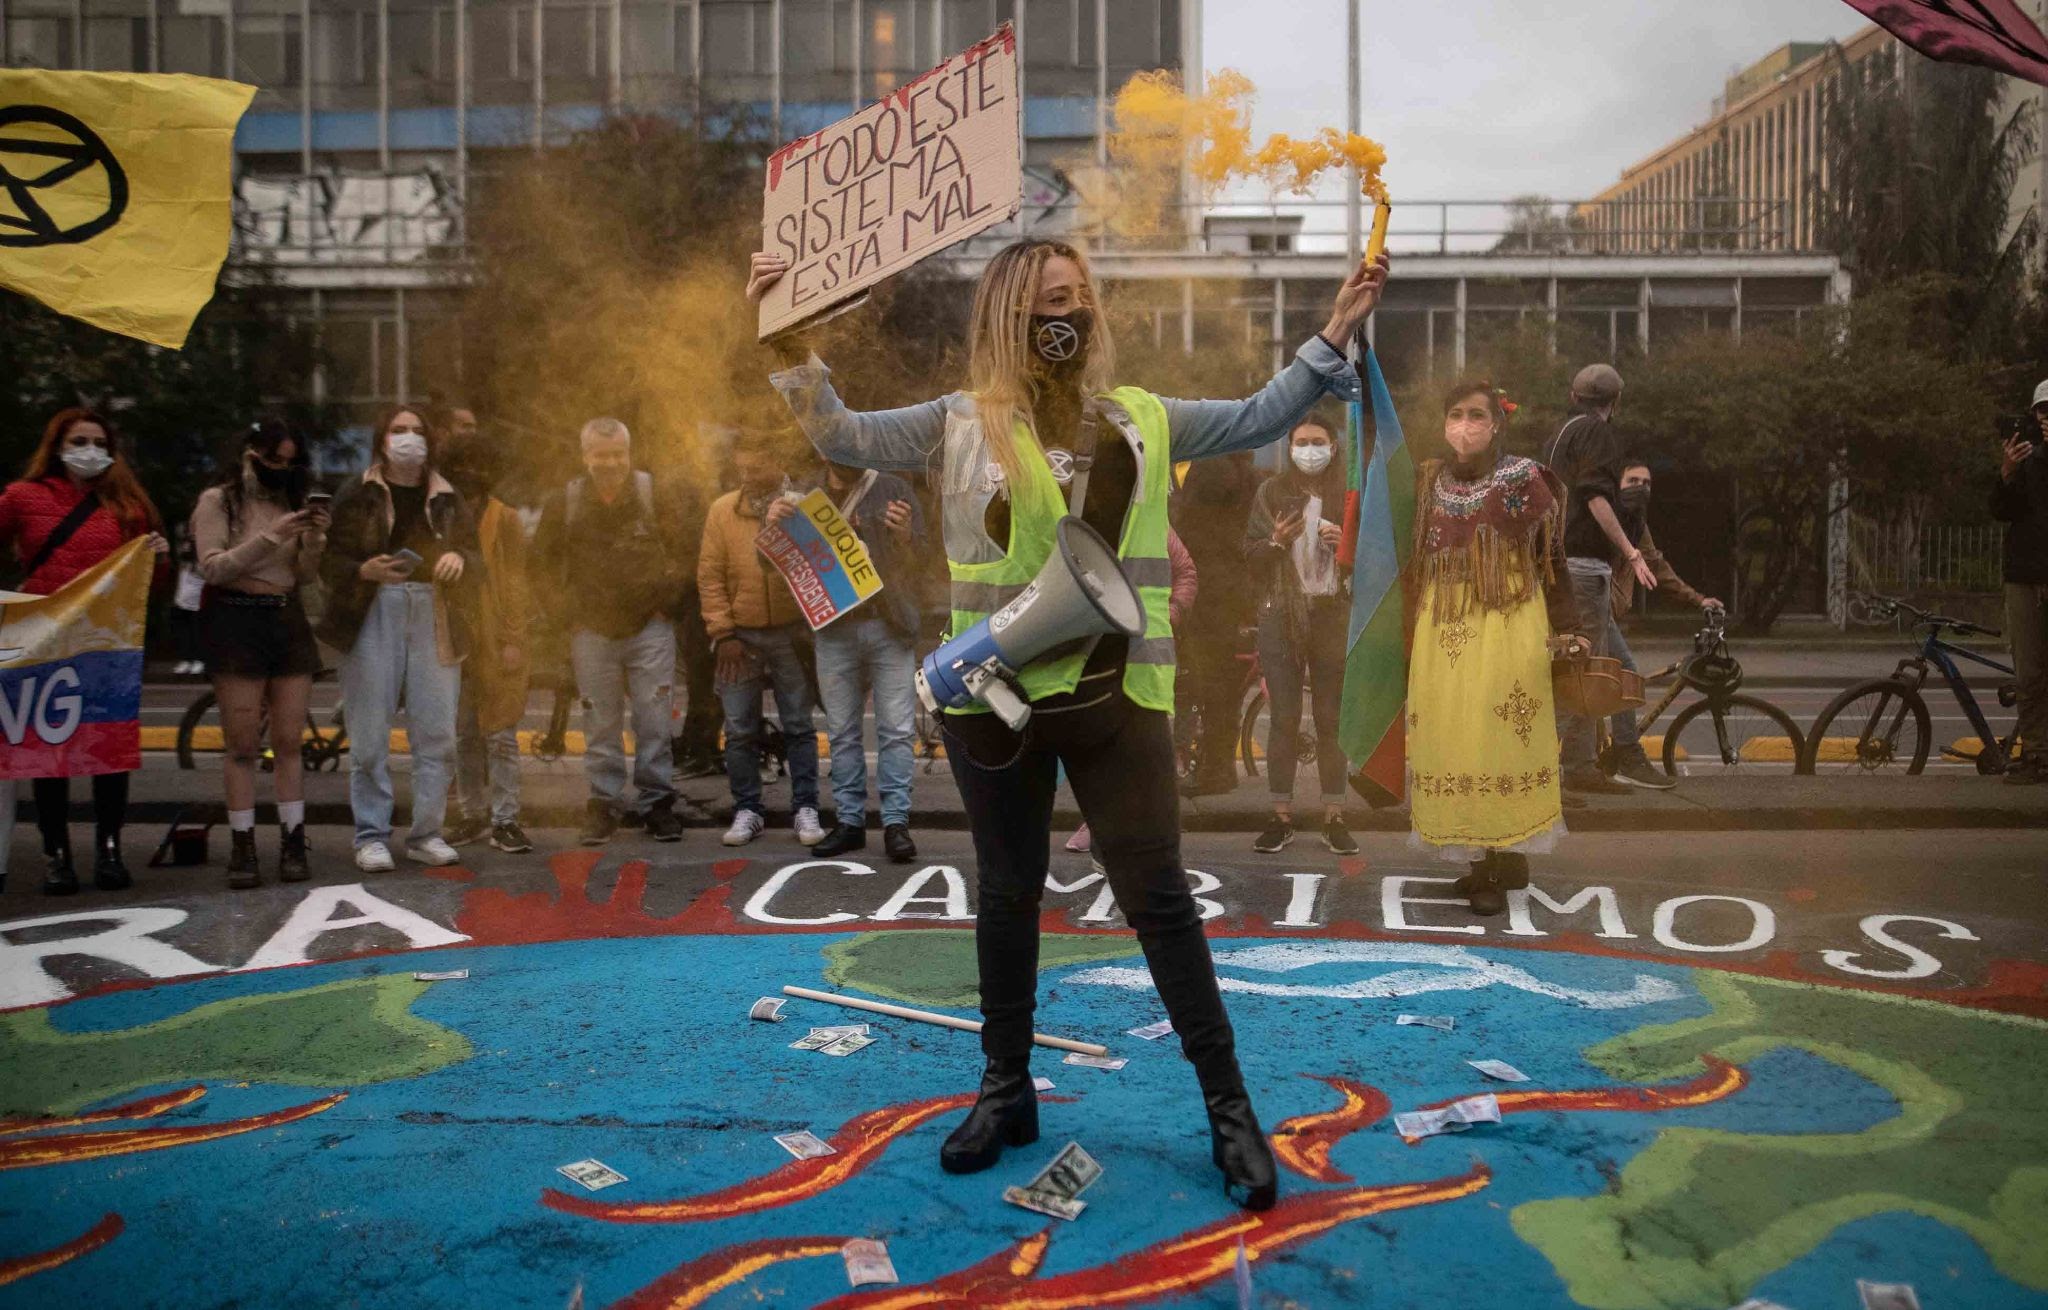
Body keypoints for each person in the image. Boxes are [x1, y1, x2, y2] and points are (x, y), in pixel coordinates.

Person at [750, 235, 1388, 1212]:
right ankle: (1004, 1089)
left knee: (1159, 899)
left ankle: (1228, 1108)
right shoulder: (954, 422)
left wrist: (1336, 326)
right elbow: (837, 434)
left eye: (1082, 297)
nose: (1073, 313)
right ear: (1011, 313)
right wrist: (789, 343)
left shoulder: (1139, 418)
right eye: (1052, 298)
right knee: (1005, 892)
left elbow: (1263, 412)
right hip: (989, 697)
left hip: (1116, 697)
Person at [1407, 382, 1590, 916]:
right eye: (1456, 414)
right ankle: (1494, 861)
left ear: (1496, 424)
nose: (1465, 425)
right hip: (1443, 630)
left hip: (1507, 622)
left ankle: (1494, 862)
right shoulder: (1427, 482)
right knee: (1454, 739)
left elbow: (1552, 558)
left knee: (1502, 738)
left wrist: (1571, 626)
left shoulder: (1524, 479)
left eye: (1476, 415)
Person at [0, 407, 169, 895]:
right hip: (43, 639)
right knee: (47, 748)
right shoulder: (22, 497)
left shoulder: (129, 505)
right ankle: (57, 855)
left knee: (107, 747)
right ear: (56, 446)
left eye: (98, 440)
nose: (89, 449)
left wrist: (157, 559)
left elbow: (147, 586)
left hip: (105, 643)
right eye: (78, 440)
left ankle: (109, 850)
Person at [317, 406, 479, 872]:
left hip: (436, 608)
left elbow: (476, 556)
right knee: (369, 734)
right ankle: (371, 835)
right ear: (382, 439)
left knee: (438, 731)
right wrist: (361, 570)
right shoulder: (357, 493)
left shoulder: (448, 497)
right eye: (398, 430)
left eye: (417, 431)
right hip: (373, 609)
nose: (409, 439)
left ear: (431, 440)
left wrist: (461, 560)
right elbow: (330, 563)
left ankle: (427, 832)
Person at [531, 418, 690, 845]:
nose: (611, 463)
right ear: (585, 456)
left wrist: (666, 608)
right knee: (599, 723)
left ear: (629, 452)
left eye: (618, 453)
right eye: (601, 455)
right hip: (592, 632)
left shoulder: (653, 494)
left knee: (654, 720)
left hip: (650, 629)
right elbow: (540, 566)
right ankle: (604, 804)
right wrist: (568, 616)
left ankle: (657, 804)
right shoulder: (565, 501)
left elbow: (684, 553)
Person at [189, 420, 329, 887]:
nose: (280, 470)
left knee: (289, 742)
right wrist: (272, 536)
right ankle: (243, 845)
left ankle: (293, 840)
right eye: (273, 460)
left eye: (289, 463)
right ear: (251, 452)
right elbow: (213, 568)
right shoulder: (219, 501)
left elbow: (305, 575)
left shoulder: (291, 499)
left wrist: (313, 541)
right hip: (236, 618)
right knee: (243, 745)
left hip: (285, 619)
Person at [775, 457, 925, 862]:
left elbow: (925, 560)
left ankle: (896, 824)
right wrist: (772, 525)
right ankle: (850, 823)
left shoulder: (893, 489)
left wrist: (907, 537)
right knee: (842, 732)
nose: (851, 456)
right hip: (833, 628)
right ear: (823, 451)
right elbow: (771, 563)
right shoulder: (801, 494)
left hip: (888, 625)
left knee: (896, 729)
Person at [699, 429, 824, 848]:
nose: (749, 475)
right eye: (742, 467)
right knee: (738, 728)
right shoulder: (722, 511)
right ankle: (747, 809)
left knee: (799, 725)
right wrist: (723, 633)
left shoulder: (800, 505)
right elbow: (710, 575)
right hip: (741, 632)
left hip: (792, 630)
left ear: (777, 462)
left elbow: (818, 566)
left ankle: (805, 807)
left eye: (757, 467)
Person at [1544, 364, 1665, 792]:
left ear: (1575, 397)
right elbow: (1594, 496)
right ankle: (1556, 770)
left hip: (1565, 566)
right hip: (1583, 569)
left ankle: (1612, 756)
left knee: (1619, 668)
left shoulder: (1561, 435)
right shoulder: (1598, 435)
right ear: (1615, 402)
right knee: (1583, 673)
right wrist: (1631, 553)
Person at [1244, 416, 1357, 856]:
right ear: (1289, 448)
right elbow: (1251, 555)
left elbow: (1373, 557)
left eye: (1318, 442)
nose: (1310, 450)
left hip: (1332, 614)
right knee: (1284, 720)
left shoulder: (1348, 494)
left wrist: (1345, 541)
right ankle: (1281, 816)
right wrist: (1275, 540)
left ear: (1334, 446)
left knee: (1331, 720)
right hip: (1281, 616)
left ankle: (1335, 816)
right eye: (1301, 442)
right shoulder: (1271, 492)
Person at [1066, 525, 1196, 856]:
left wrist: (1174, 612)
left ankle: (1143, 833)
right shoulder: (1094, 523)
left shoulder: (1159, 530)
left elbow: (1186, 571)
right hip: (1107, 650)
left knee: (1152, 750)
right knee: (1105, 747)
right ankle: (1101, 826)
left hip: (1151, 656)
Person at [439, 407, 535, 853]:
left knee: (499, 734)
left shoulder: (506, 519)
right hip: (452, 639)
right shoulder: (438, 517)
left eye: (477, 467)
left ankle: (506, 818)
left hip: (497, 639)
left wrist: (514, 639)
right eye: (460, 468)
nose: (469, 476)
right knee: (463, 732)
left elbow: (517, 584)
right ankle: (472, 814)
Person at [1176, 453, 1262, 797]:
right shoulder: (1243, 468)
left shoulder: (1213, 465)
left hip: (1210, 591)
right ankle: (1216, 764)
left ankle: (1213, 768)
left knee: (1208, 683)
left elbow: (1192, 529)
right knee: (1222, 687)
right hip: (1228, 588)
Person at [1995, 383, 2048, 783]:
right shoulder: (2025, 462)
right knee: (2029, 675)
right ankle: (2035, 754)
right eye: (2042, 412)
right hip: (2024, 578)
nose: (2047, 419)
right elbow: (2001, 511)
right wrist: (2007, 472)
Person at [1606, 460, 1721, 622]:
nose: (1640, 488)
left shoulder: (1636, 525)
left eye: (1646, 483)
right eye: (1632, 481)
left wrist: (1698, 599)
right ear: (1617, 485)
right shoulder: (1599, 518)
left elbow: (1656, 565)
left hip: (1607, 615)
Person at [169, 524, 206, 675]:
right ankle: (186, 659)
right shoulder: (183, 555)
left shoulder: (202, 553)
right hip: (183, 596)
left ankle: (199, 659)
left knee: (198, 629)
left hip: (198, 597)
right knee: (183, 630)